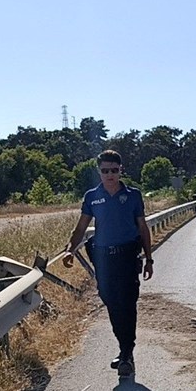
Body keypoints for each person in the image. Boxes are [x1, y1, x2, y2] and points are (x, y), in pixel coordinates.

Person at [62, 150, 154, 377]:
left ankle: (126, 352)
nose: (110, 175)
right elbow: (81, 227)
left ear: (121, 170)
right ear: (99, 172)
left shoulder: (133, 195)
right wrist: (69, 250)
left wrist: (149, 259)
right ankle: (124, 348)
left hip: (127, 255)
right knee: (111, 302)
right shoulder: (92, 196)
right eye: (105, 171)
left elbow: (142, 228)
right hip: (103, 258)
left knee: (127, 302)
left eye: (114, 170)